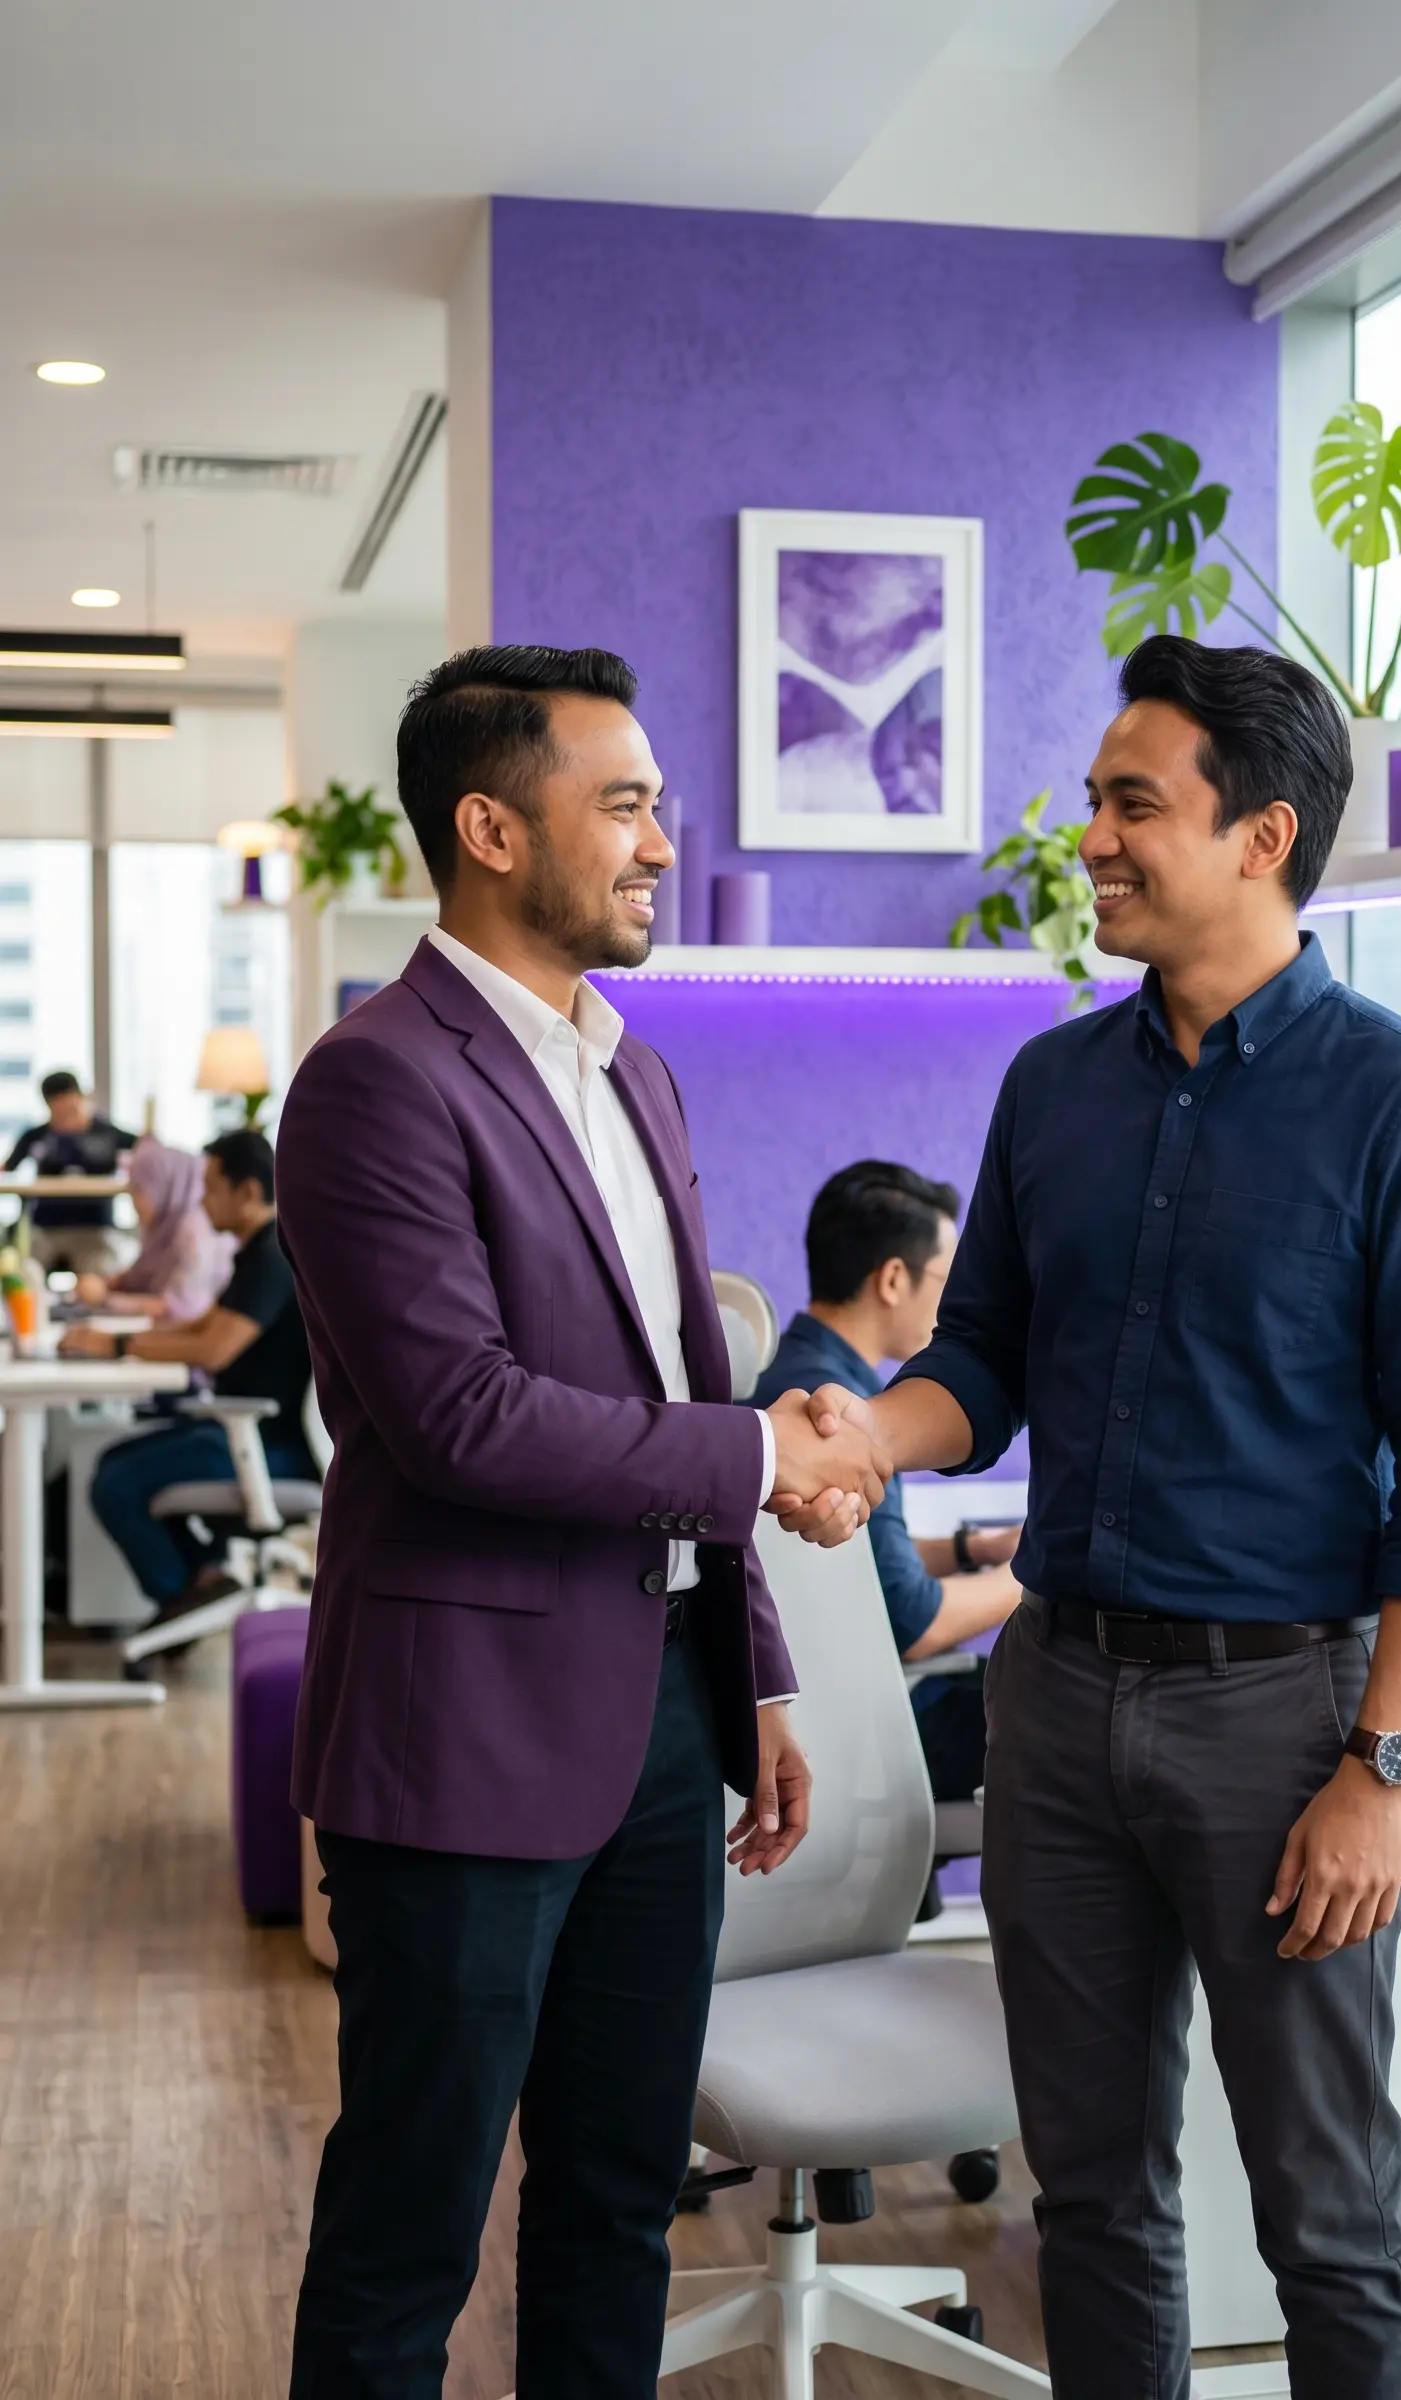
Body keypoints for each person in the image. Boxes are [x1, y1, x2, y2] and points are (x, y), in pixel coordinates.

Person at [784, 637, 1401, 2400]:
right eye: (1100, 799)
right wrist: (867, 1436)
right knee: (1093, 2196)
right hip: (1054, 1705)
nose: (1094, 839)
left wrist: (1380, 1774)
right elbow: (982, 1364)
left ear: (1260, 836)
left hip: (1280, 1726)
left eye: (1135, 805)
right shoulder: (1056, 1090)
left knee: (1327, 2214)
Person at [273, 643, 889, 2400]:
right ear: (487, 826)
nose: (655, 841)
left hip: (658, 1729)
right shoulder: (375, 1078)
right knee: (410, 2226)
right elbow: (459, 1417)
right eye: (619, 804)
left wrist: (755, 1678)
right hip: (461, 1743)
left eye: (655, 804)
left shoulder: (635, 1072)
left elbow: (688, 1383)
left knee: (620, 2200)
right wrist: (762, 1461)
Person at [753, 1160, 1021, 1807]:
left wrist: (973, 1549)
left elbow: (847, 1563)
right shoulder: (841, 1409)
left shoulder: (791, 1375)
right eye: (949, 1279)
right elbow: (913, 1622)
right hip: (857, 1721)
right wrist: (1039, 1572)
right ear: (895, 1279)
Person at [77, 1128, 315, 1620]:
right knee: (110, 1460)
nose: (200, 1200)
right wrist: (115, 1337)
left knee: (115, 1483)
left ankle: (181, 1595)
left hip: (268, 1443)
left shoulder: (272, 1257)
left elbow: (212, 1349)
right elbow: (201, 1326)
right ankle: (205, 1582)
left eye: (210, 1187)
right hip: (240, 1429)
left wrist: (117, 1344)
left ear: (247, 1192)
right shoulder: (257, 1252)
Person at [73, 1133, 236, 1323]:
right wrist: (106, 1284)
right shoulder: (163, 1227)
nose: (134, 1201)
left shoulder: (193, 1232)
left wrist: (106, 1300)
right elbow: (140, 1276)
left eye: (139, 1189)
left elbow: (181, 1308)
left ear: (164, 1185)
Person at [5, 1069, 136, 1277]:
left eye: (69, 1102)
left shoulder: (109, 1134)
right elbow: (7, 1168)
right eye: (56, 1105)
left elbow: (148, 1153)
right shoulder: (36, 1136)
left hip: (94, 1228)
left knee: (103, 1273)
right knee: (20, 1270)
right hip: (45, 1227)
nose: (65, 1112)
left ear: (81, 1097)